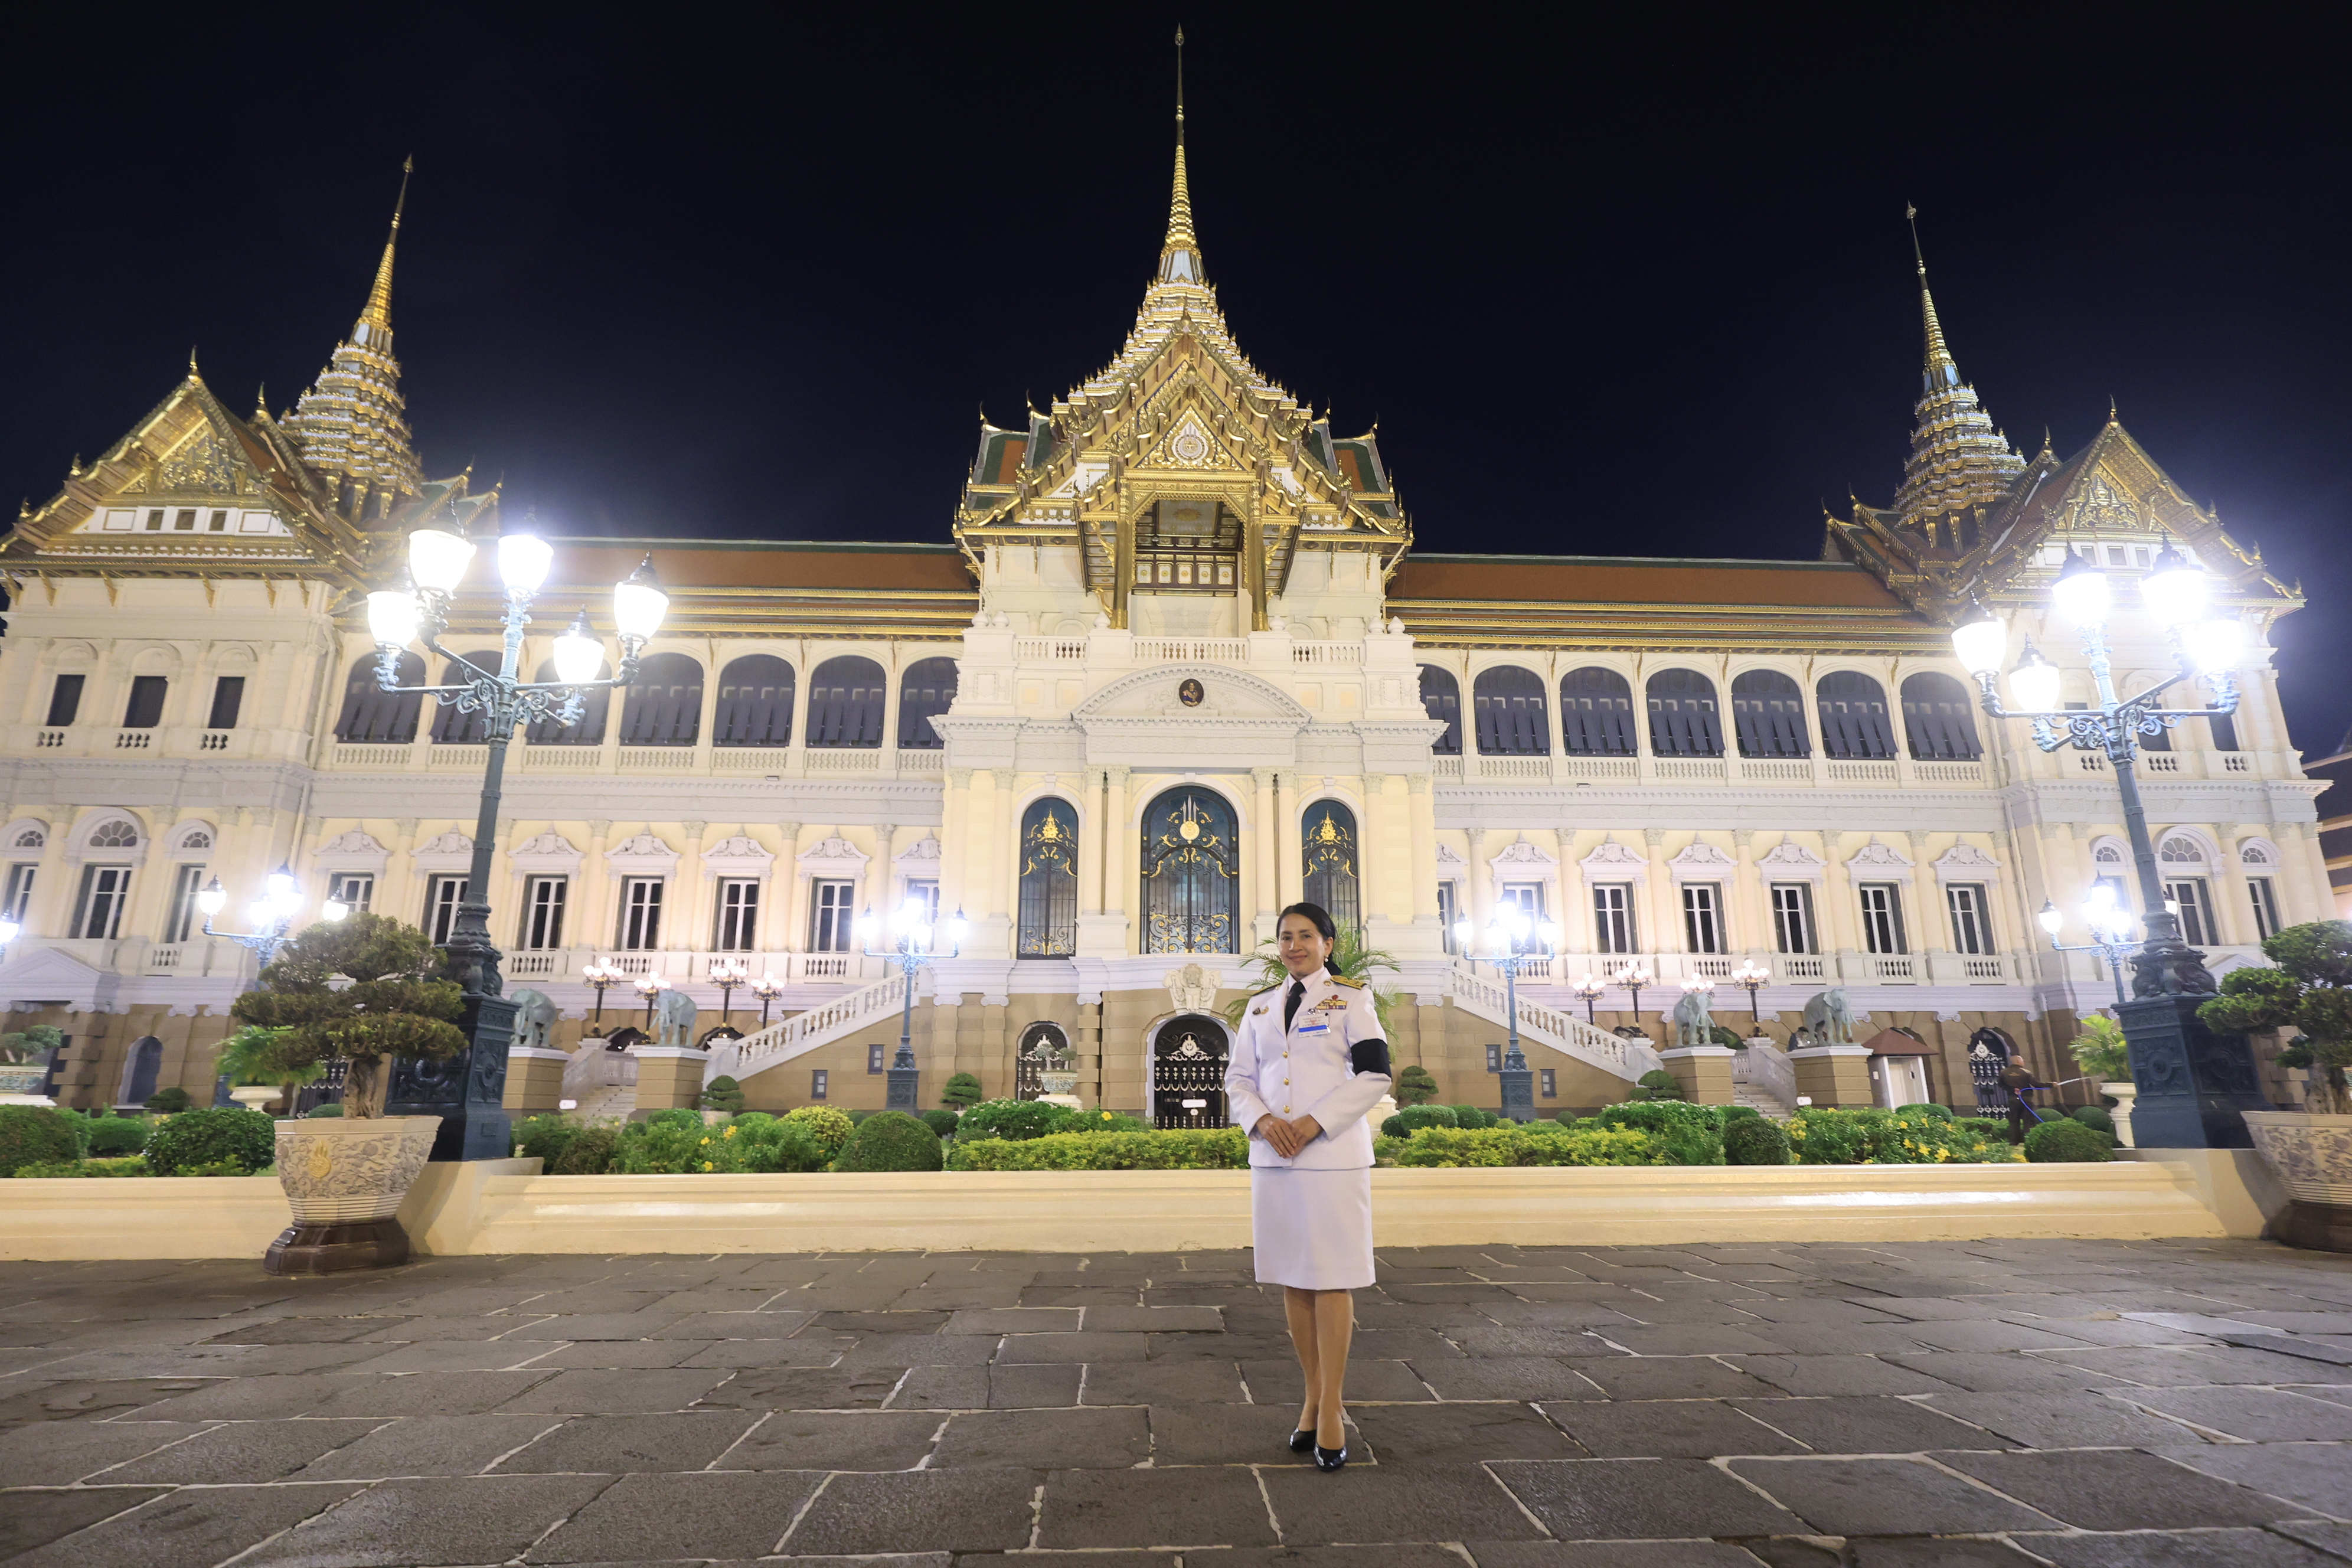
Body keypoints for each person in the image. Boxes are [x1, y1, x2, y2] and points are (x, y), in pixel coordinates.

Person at [1225, 900, 1391, 1472]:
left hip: (1330, 1158)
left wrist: (1314, 1122)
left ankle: (1333, 1408)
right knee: (1294, 1280)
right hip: (1274, 1158)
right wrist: (1263, 1121)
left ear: (1327, 943)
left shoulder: (1351, 999)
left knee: (1332, 1280)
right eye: (1285, 937)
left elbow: (1375, 1073)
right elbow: (1239, 1078)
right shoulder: (1259, 1007)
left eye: (1305, 936)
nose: (1294, 946)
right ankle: (1312, 1398)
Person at [1998, 1057, 2054, 1145]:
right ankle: (2028, 1140)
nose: (2023, 1062)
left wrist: (2012, 1090)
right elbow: (2036, 1084)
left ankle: (2014, 1142)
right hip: (2026, 1099)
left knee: (2014, 1121)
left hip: (2013, 1099)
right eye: (2022, 1060)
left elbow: (2000, 1084)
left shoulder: (2004, 1072)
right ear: (2018, 1061)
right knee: (2028, 1120)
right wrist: (2051, 1085)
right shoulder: (2026, 1072)